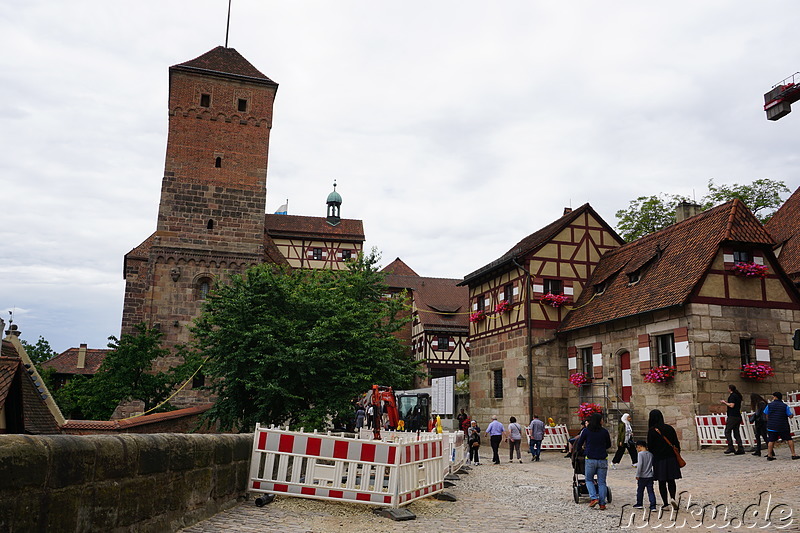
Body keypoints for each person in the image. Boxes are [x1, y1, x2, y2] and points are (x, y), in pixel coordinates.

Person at [575, 412, 611, 510]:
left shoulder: (586, 431)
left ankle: (593, 498)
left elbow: (580, 443)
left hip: (590, 458)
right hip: (602, 459)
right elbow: (608, 445)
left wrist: (581, 451)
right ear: (599, 421)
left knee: (589, 479)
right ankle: (602, 503)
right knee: (602, 482)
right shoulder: (604, 432)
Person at [647, 409, 681, 510]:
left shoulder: (652, 431)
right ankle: (673, 498)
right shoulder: (669, 428)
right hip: (671, 458)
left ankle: (665, 504)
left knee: (662, 482)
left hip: (659, 459)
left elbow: (651, 447)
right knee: (671, 480)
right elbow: (676, 443)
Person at [763, 391, 799, 461]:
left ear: (775, 397)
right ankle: (793, 454)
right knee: (789, 439)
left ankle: (770, 455)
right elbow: (790, 415)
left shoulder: (769, 405)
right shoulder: (785, 406)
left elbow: (766, 414)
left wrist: (770, 421)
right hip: (783, 426)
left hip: (772, 426)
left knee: (771, 440)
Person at [720, 384, 745, 455]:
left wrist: (724, 402)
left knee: (727, 431)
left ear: (730, 389)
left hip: (732, 416)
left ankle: (731, 447)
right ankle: (740, 448)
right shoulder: (738, 396)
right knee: (736, 432)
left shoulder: (732, 396)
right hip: (738, 416)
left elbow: (732, 405)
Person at [632, 440, 657, 511]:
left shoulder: (640, 454)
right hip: (650, 475)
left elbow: (640, 465)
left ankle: (639, 503)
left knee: (640, 490)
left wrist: (637, 474)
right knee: (651, 491)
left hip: (642, 476)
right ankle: (653, 506)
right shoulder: (650, 454)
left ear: (639, 446)